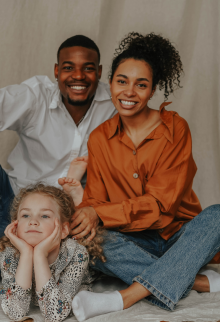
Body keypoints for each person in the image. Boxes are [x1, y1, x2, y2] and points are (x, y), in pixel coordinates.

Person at [59, 32, 220, 321]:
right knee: (86, 240)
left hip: (177, 235)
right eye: (122, 81)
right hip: (131, 240)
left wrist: (99, 212)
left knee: (218, 215)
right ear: (110, 83)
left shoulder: (175, 128)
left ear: (153, 89)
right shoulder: (99, 138)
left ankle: (126, 296)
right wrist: (84, 209)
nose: (129, 92)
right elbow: (95, 199)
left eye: (141, 84)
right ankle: (192, 280)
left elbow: (161, 206)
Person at [0, 35, 116, 281]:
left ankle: (10, 246)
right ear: (57, 71)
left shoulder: (115, 105)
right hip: (9, 199)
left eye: (87, 68)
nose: (78, 76)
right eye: (68, 68)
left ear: (98, 72)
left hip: (58, 218)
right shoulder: (36, 95)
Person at [0, 183, 105, 322]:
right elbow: (16, 312)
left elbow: (55, 314)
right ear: (15, 226)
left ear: (64, 229)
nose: (33, 221)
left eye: (45, 216)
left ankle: (79, 199)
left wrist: (40, 254)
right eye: (25, 215)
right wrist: (26, 254)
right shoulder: (9, 252)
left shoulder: (76, 253)